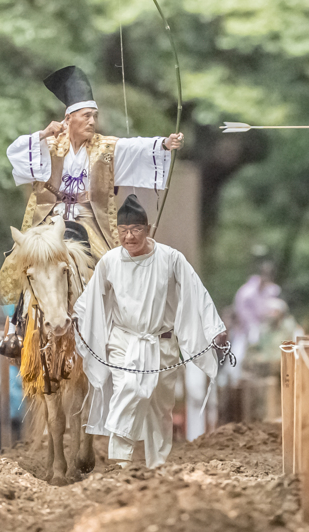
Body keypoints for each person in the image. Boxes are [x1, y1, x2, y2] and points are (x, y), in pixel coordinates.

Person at [0, 66, 183, 308]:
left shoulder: (104, 149)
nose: (92, 121)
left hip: (90, 220)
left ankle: (116, 321)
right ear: (68, 119)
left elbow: (135, 147)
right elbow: (16, 153)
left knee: (114, 267)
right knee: (15, 265)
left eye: (94, 116)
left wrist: (165, 144)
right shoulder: (50, 146)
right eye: (86, 116)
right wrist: (43, 134)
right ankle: (14, 328)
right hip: (49, 219)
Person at [74, 195, 226, 468]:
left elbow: (196, 292)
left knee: (159, 407)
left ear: (148, 228)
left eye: (136, 230)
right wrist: (75, 320)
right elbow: (90, 300)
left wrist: (215, 329)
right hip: (123, 341)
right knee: (128, 390)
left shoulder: (170, 258)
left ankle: (157, 466)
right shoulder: (109, 261)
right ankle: (120, 463)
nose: (129, 237)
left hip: (161, 343)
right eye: (123, 231)